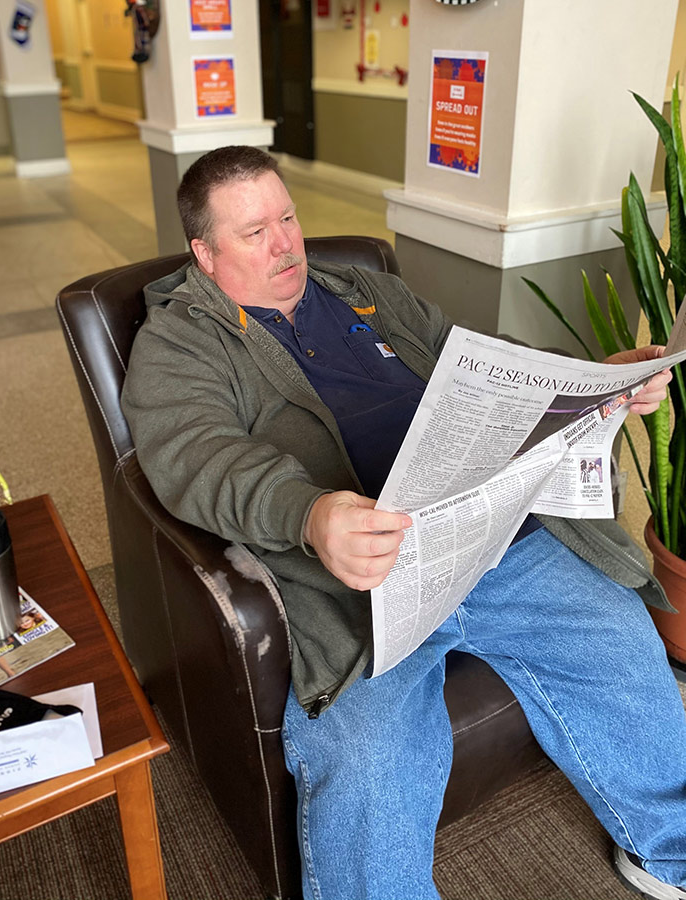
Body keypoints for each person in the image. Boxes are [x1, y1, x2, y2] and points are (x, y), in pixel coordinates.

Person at [122, 145, 682, 900]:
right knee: (369, 761)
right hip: (367, 580)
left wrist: (587, 380)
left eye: (286, 217)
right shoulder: (180, 340)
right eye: (253, 233)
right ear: (204, 251)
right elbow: (194, 454)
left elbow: (484, 362)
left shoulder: (365, 291)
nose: (285, 243)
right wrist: (310, 512)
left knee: (621, 643)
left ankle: (670, 853)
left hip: (490, 534)